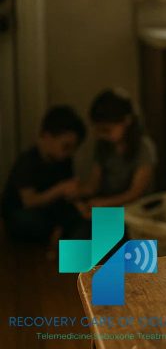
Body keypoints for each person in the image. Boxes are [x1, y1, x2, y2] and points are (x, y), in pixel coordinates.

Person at [1, 105, 87, 244]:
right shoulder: (27, 160)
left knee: (78, 215)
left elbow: (67, 195)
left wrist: (78, 202)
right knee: (27, 220)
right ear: (47, 137)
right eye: (65, 146)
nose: (70, 153)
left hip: (50, 210)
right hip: (23, 212)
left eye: (73, 148)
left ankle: (63, 236)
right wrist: (60, 189)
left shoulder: (64, 161)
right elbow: (29, 201)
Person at [77, 88, 156, 215]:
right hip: (108, 204)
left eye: (106, 130)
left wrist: (104, 203)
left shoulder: (144, 147)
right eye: (98, 130)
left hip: (135, 208)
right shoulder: (103, 146)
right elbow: (94, 183)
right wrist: (78, 193)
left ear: (127, 121)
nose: (102, 135)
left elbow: (136, 192)